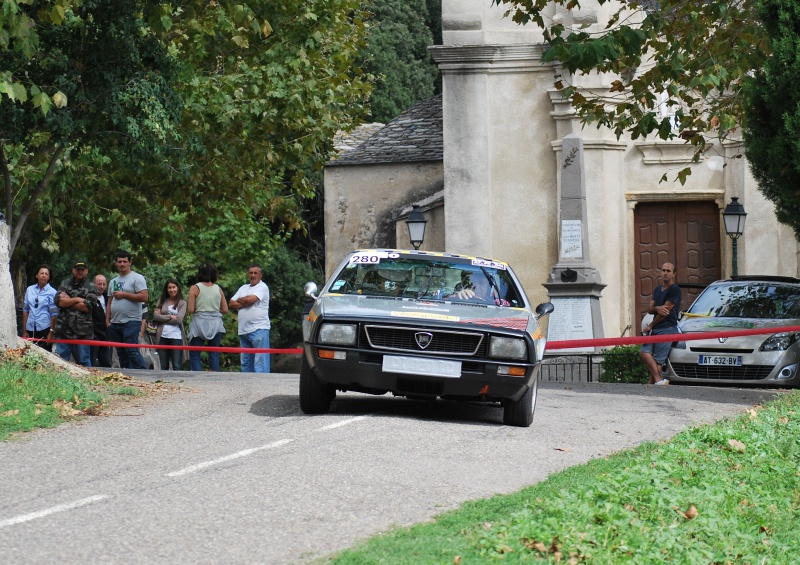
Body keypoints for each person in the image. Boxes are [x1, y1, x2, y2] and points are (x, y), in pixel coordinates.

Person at [640, 262, 682, 386]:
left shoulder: (675, 289)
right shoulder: (658, 289)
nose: (665, 273)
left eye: (668, 271)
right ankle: (658, 381)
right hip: (656, 328)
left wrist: (651, 325)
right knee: (644, 352)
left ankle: (650, 387)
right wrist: (657, 308)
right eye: (663, 270)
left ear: (674, 274)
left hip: (667, 328)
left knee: (658, 361)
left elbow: (665, 312)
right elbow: (650, 309)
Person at [106, 250, 149, 369]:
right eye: (119, 261)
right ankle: (128, 375)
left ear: (130, 262)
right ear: (116, 263)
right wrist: (107, 321)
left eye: (125, 261)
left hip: (131, 321)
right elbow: (110, 302)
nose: (122, 264)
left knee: (131, 350)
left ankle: (144, 372)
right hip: (115, 322)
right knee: (121, 353)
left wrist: (124, 295)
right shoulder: (113, 281)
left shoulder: (137, 278)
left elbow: (144, 297)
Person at [53, 260, 97, 366]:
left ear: (86, 271)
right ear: (73, 270)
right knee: (61, 361)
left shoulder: (91, 286)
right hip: (64, 329)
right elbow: (58, 301)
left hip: (83, 331)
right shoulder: (65, 283)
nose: (80, 272)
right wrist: (77, 299)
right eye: (77, 269)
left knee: (84, 361)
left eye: (82, 270)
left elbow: (87, 307)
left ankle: (89, 382)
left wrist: (69, 299)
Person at [229, 264, 272, 373]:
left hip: (259, 328)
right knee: (246, 362)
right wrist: (245, 301)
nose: (252, 275)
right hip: (244, 330)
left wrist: (242, 300)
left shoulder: (263, 287)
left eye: (255, 273)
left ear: (260, 275)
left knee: (260, 362)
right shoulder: (243, 288)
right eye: (250, 273)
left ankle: (262, 386)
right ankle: (247, 387)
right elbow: (231, 303)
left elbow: (249, 300)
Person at [187, 263, 228, 371]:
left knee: (195, 354)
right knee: (214, 353)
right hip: (216, 323)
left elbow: (190, 310)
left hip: (199, 322)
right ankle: (215, 377)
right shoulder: (218, 289)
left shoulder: (195, 288)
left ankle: (197, 378)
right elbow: (225, 310)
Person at [153, 278, 188, 370]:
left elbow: (179, 320)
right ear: (166, 289)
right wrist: (170, 316)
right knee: (163, 366)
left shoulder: (182, 303)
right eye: (169, 288)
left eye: (174, 287)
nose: (172, 290)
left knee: (177, 365)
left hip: (176, 337)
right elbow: (156, 317)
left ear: (177, 288)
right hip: (162, 337)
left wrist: (163, 317)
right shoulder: (161, 301)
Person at [21, 264, 58, 351]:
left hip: (44, 328)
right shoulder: (30, 289)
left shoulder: (53, 292)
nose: (44, 275)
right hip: (30, 327)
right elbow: (25, 310)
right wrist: (24, 330)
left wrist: (51, 332)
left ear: (49, 277)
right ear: (37, 275)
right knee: (28, 353)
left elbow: (54, 314)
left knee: (43, 354)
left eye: (46, 274)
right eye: (41, 273)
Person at [90, 274, 112, 367]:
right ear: (93, 284)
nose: (101, 287)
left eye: (104, 284)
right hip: (93, 334)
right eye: (99, 284)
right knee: (92, 361)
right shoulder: (89, 298)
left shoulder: (108, 298)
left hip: (105, 334)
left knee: (106, 361)